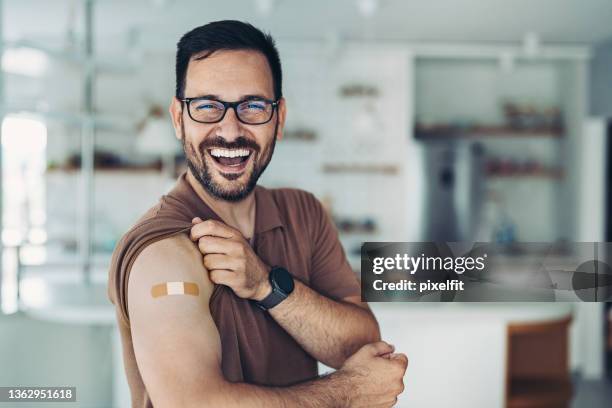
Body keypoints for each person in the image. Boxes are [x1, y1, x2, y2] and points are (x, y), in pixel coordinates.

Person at [107, 20, 408, 408]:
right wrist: (347, 392)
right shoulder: (161, 249)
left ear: (278, 118)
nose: (230, 131)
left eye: (252, 106)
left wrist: (267, 286)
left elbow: (362, 343)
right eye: (207, 107)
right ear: (179, 119)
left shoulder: (304, 213)